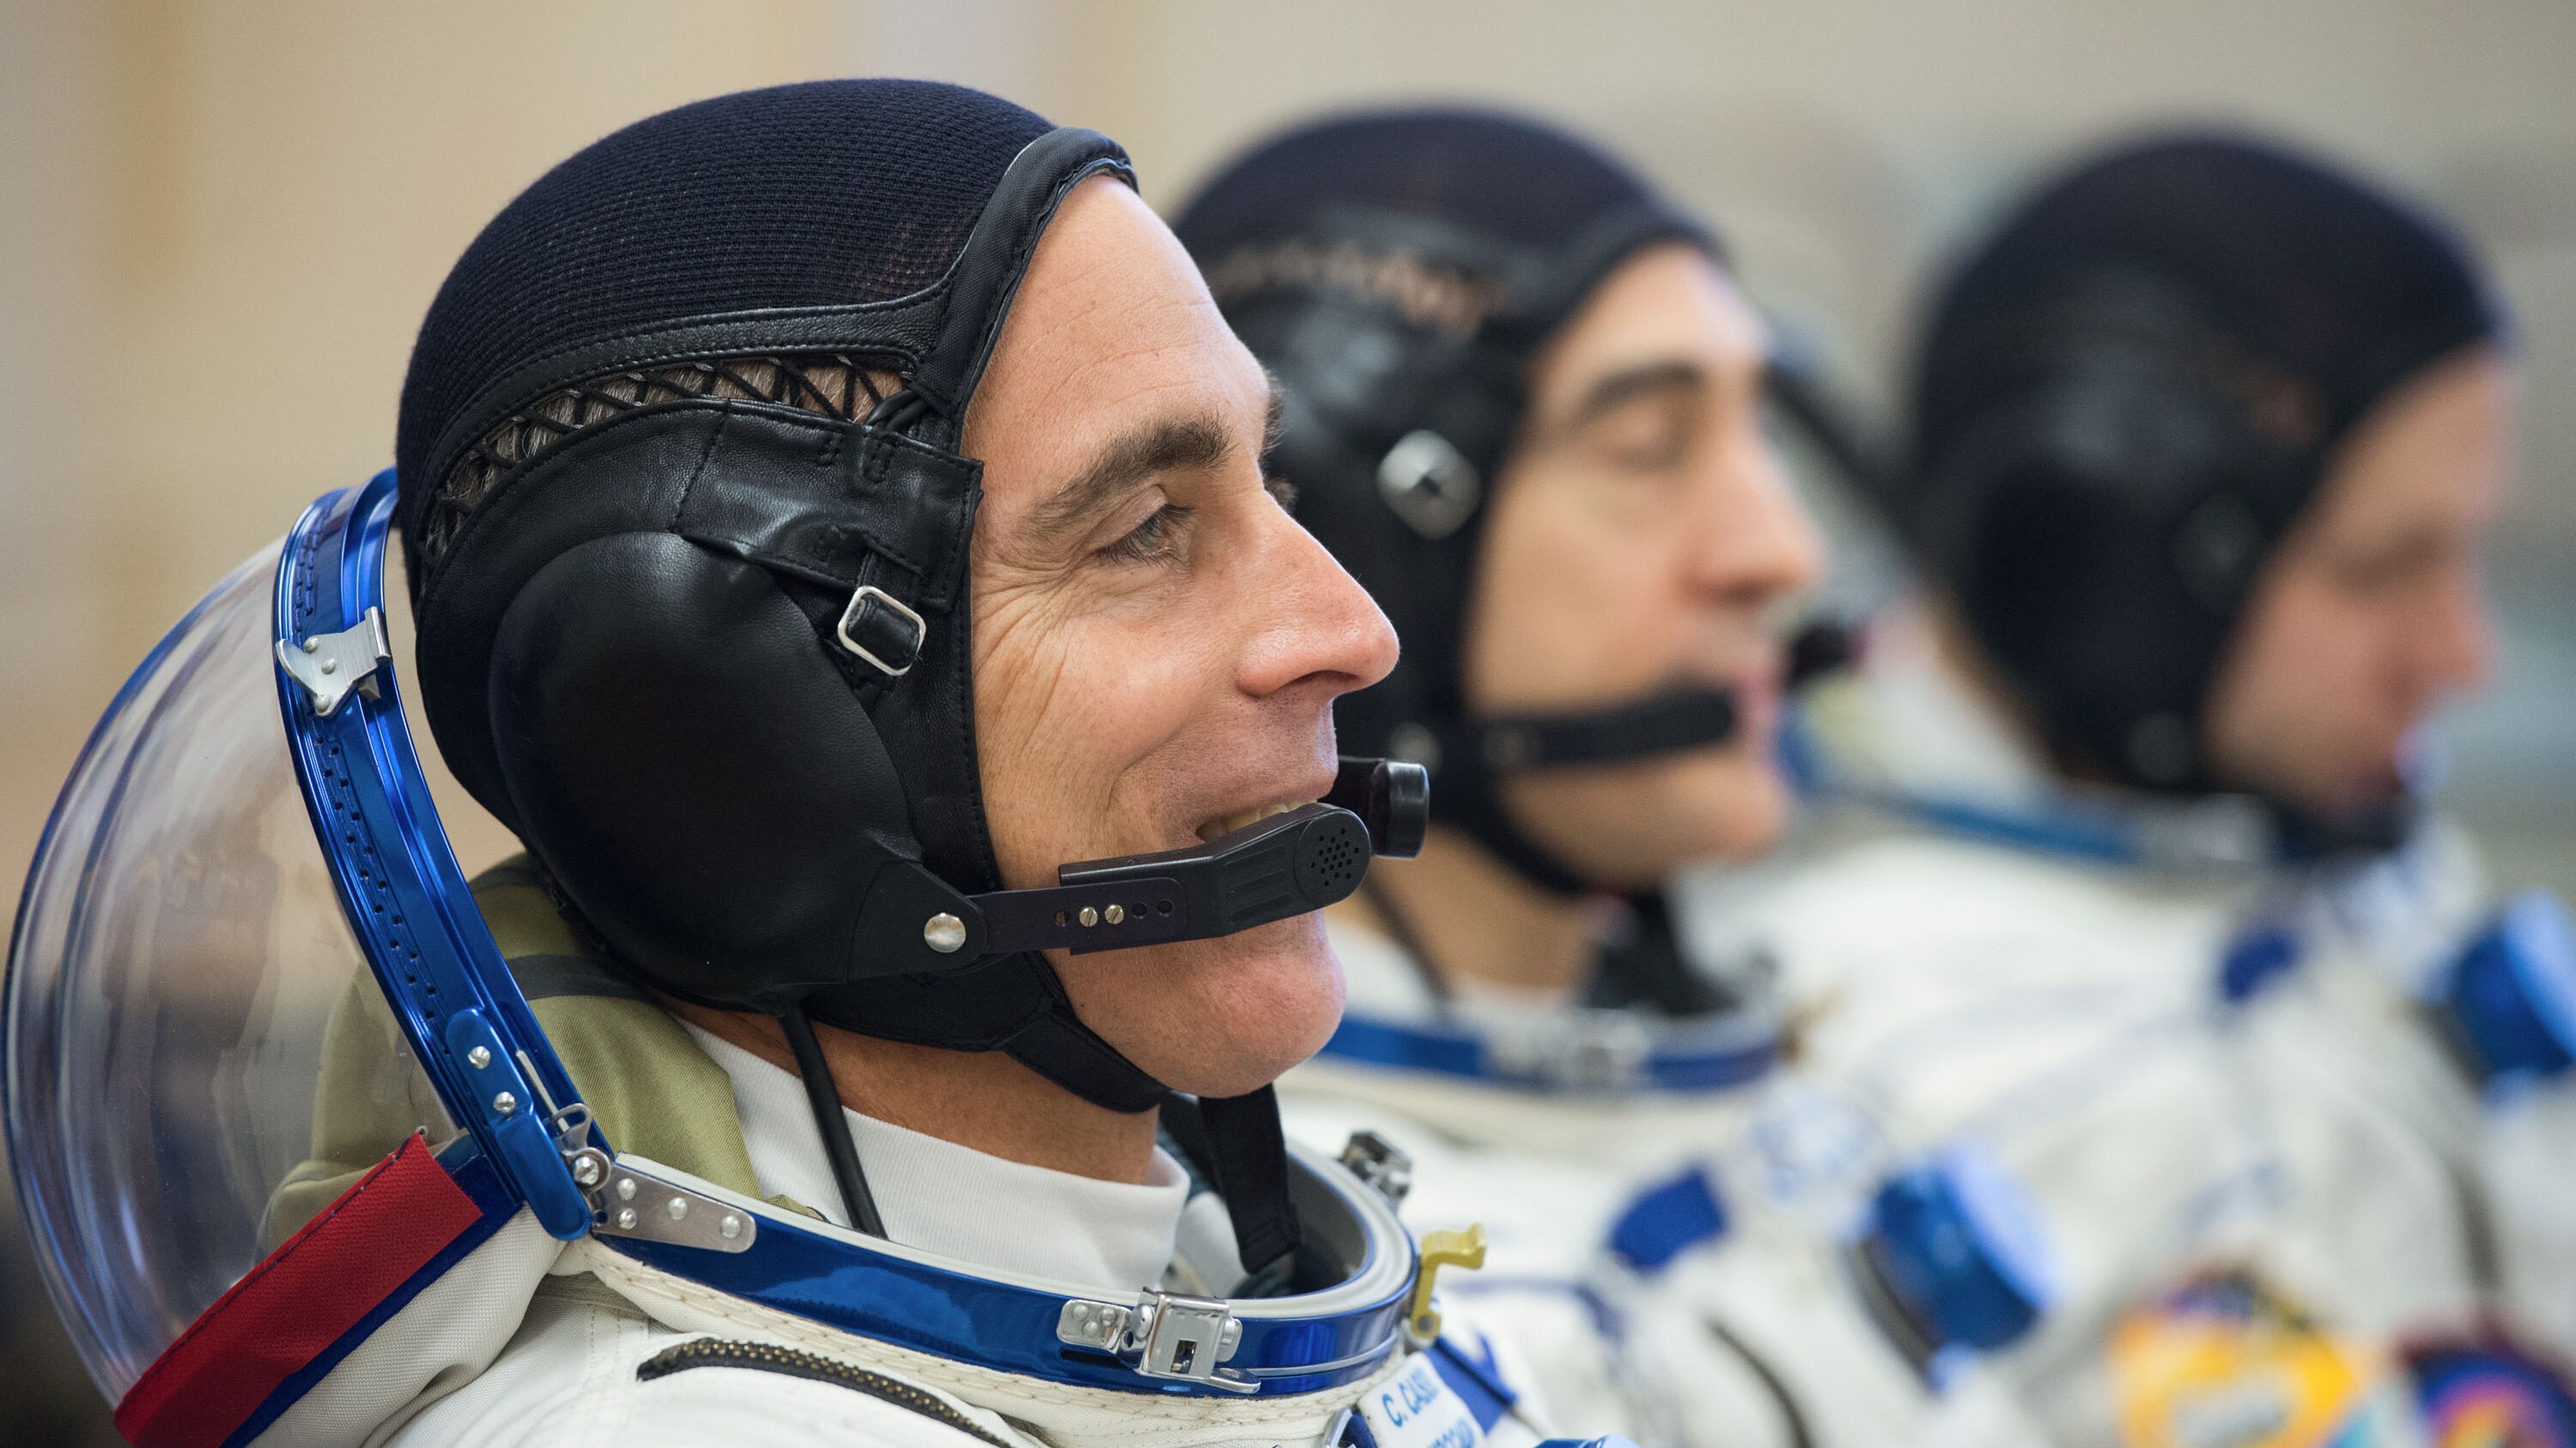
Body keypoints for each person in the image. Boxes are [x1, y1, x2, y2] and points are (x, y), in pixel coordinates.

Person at [3, 80, 1617, 1448]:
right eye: (1145, 529)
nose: (1350, 629)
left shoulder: (1202, 1285)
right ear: (723, 748)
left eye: (1268, 481)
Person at [1171, 108, 2063, 1448]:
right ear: (1347, 532)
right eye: (1652, 449)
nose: (1781, 550)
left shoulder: (1781, 1100)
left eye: (1758, 430)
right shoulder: (1274, 1299)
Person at [1683, 130, 2576, 1445]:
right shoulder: (1870, 1046)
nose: (2460, 655)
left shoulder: (2333, 853)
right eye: (2384, 569)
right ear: (2107, 562)